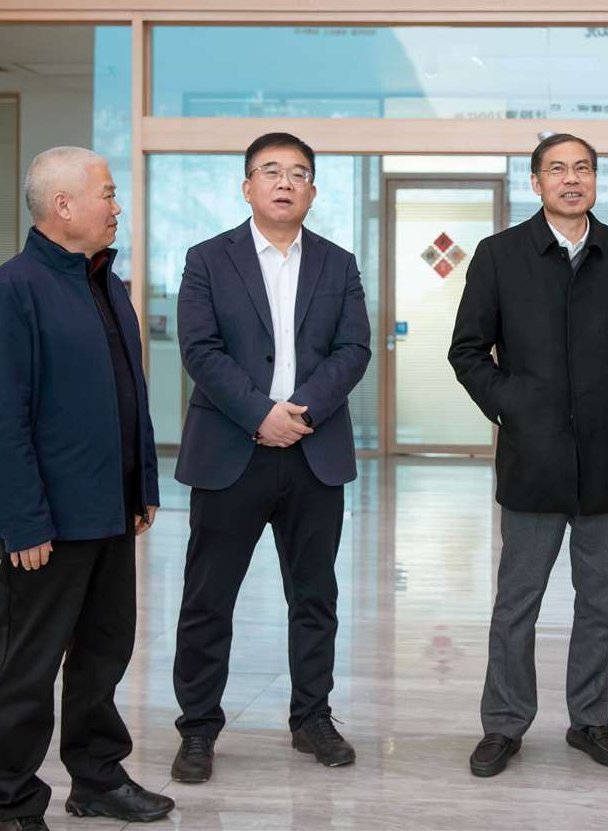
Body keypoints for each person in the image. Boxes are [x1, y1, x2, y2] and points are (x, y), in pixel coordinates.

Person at [0, 146, 172, 831]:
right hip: (48, 523)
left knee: (104, 654)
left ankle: (98, 777)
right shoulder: (9, 291)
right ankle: (14, 804)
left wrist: (142, 485)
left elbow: (129, 395)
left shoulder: (107, 284)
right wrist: (21, 521)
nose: (116, 206)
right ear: (63, 205)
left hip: (111, 511)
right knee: (26, 668)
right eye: (106, 193)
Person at [448, 133, 608, 777]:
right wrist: (517, 406)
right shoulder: (500, 255)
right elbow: (467, 350)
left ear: (595, 180)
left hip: (607, 459)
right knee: (518, 601)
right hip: (532, 458)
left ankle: (590, 720)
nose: (572, 179)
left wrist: (601, 403)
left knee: (600, 601)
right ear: (535, 182)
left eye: (583, 168)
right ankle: (504, 724)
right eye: (557, 169)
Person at [169, 132, 371, 783]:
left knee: (315, 595)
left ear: (313, 190)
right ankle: (198, 727)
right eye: (271, 171)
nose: (285, 182)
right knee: (208, 597)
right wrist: (259, 413)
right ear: (247, 186)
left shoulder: (338, 264)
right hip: (231, 450)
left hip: (314, 451)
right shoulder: (208, 259)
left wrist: (301, 412)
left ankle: (312, 717)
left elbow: (354, 349)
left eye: (298, 173)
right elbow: (199, 348)